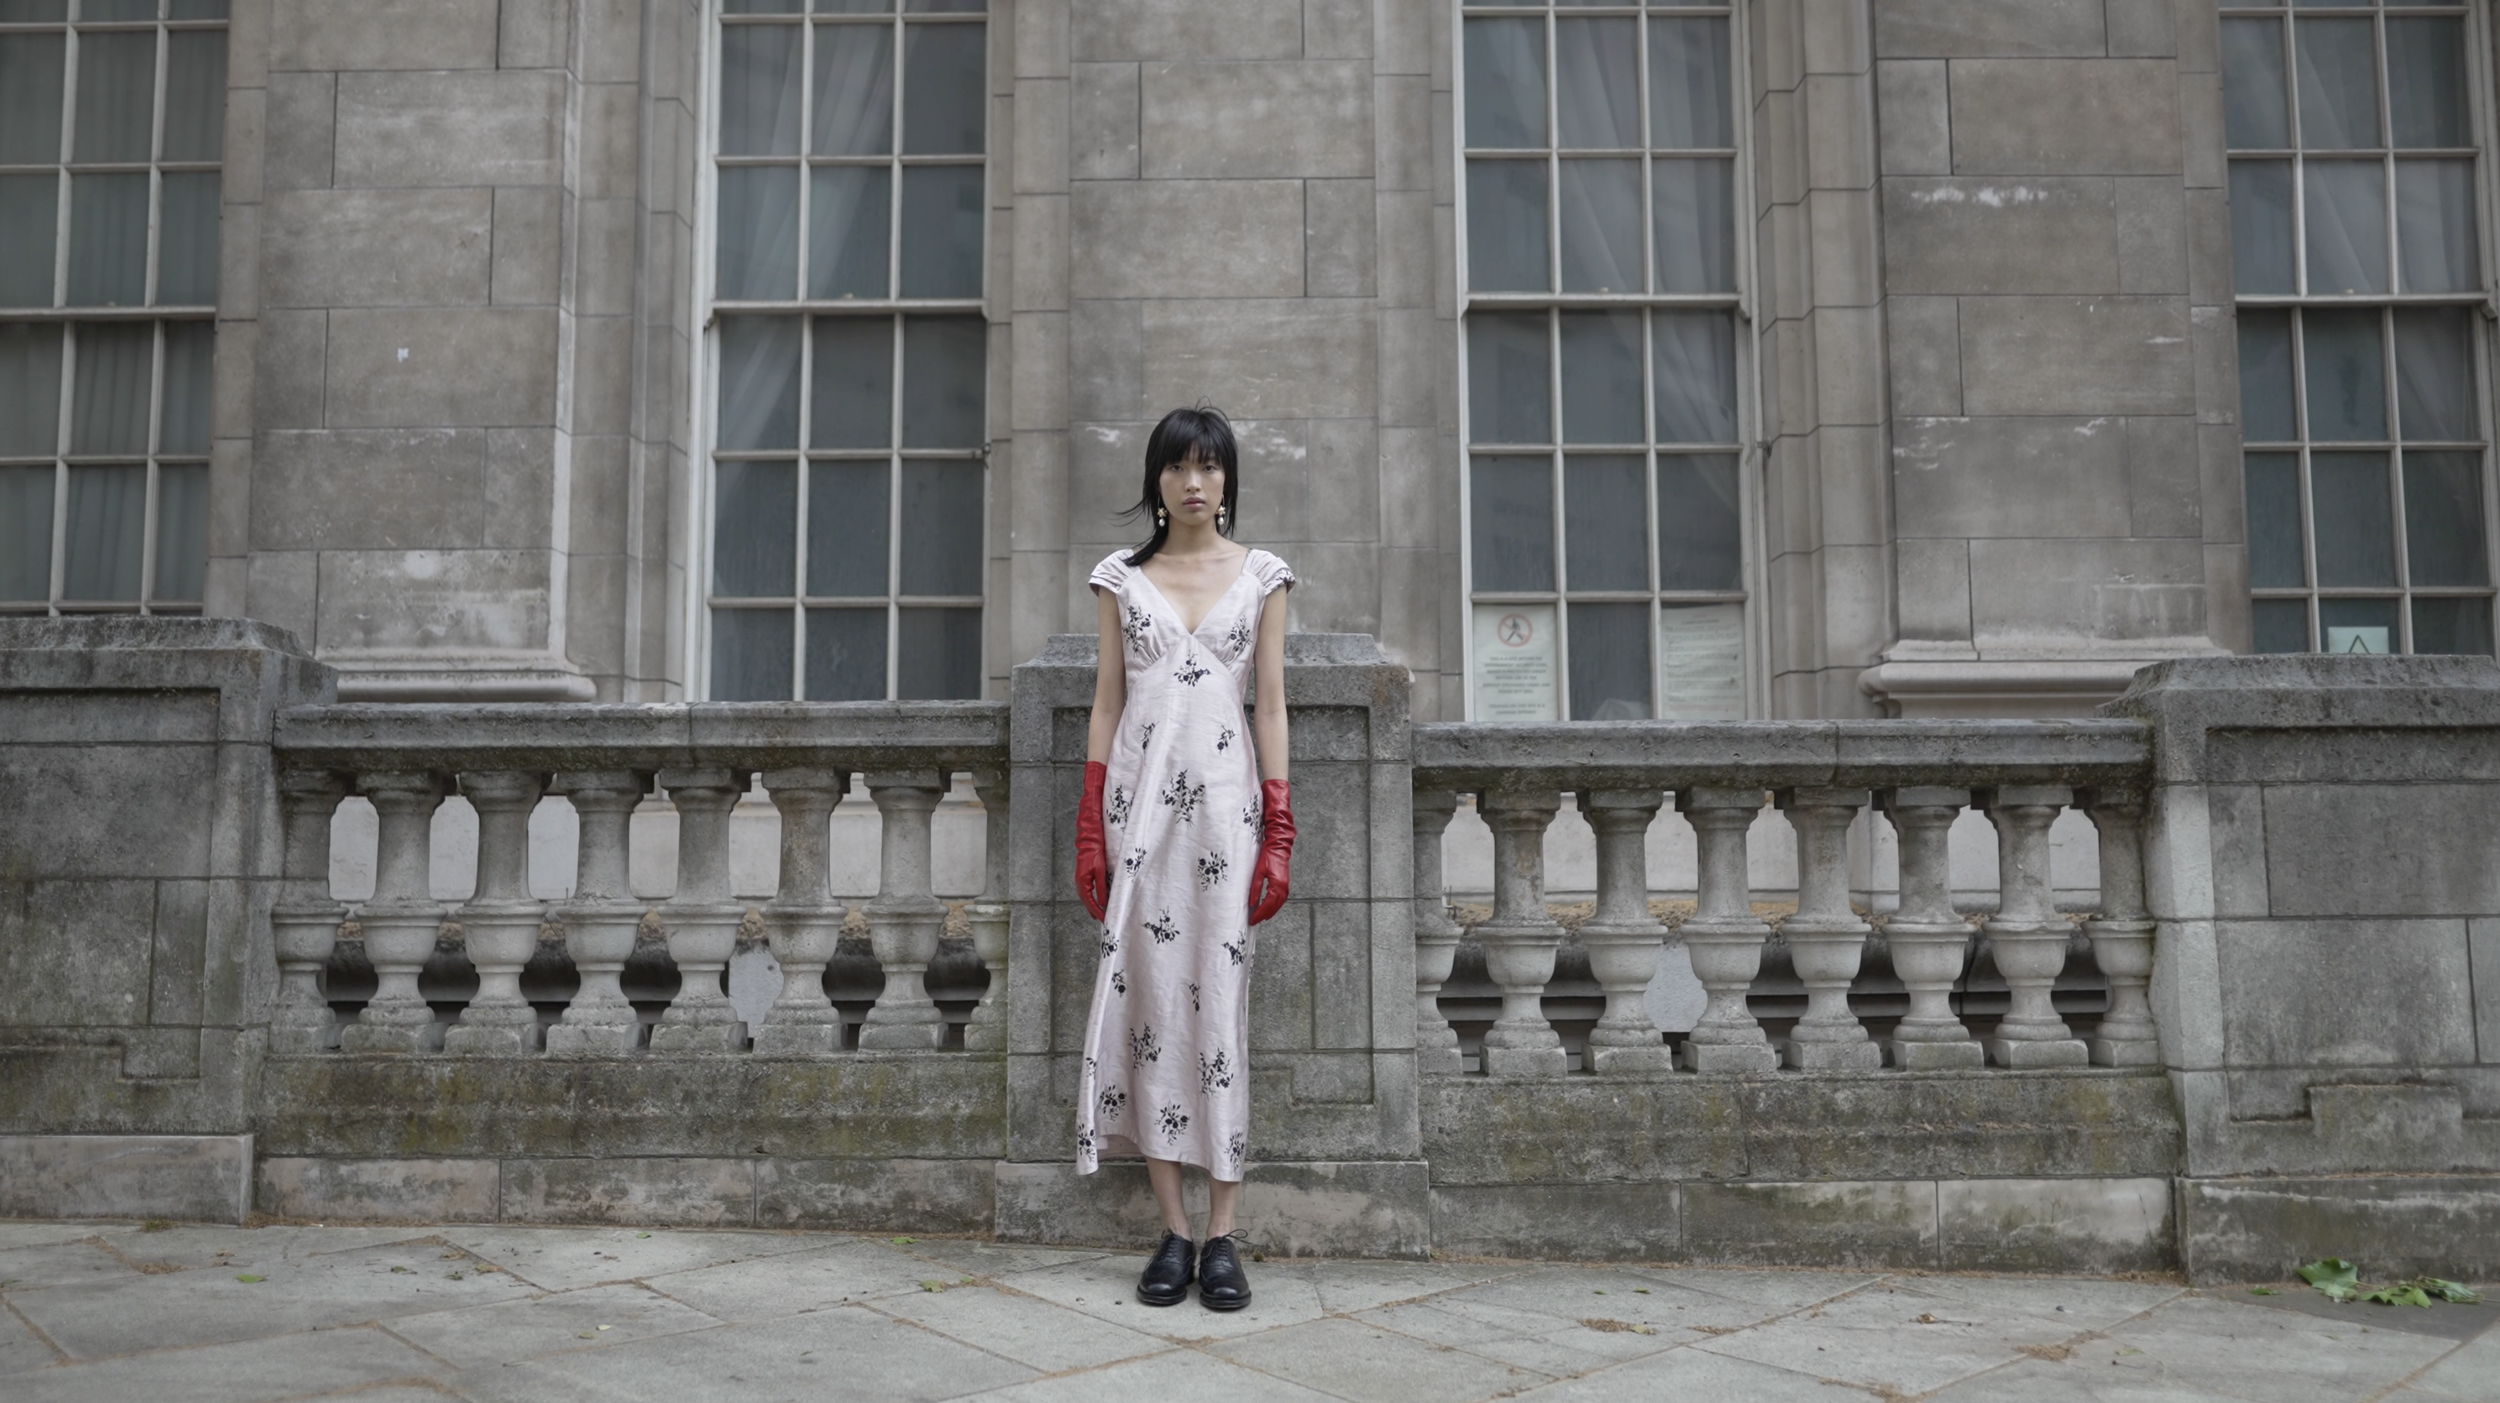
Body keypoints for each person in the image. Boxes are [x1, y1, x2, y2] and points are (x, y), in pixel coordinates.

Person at [1071, 405, 1295, 1312]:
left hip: (1225, 821)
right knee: (1151, 1010)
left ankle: (1224, 1235)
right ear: (1157, 481)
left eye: (1209, 466)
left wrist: (1279, 826)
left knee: (1222, 1012)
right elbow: (1103, 702)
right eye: (1178, 467)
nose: (1194, 481)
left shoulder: (1264, 577)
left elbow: (1271, 705)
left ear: (1229, 478)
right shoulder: (1121, 580)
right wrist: (1091, 820)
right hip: (1139, 814)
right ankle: (1171, 1229)